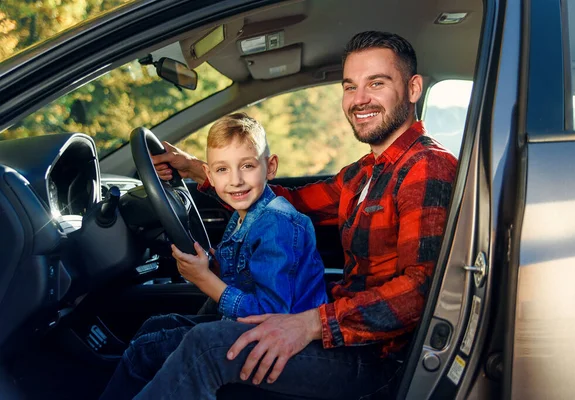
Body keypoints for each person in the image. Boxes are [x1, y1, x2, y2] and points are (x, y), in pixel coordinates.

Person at [118, 30, 457, 399]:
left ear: (412, 88)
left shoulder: (427, 166)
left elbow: (421, 291)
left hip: (379, 360)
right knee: (157, 332)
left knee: (207, 347)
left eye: (376, 83)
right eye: (349, 87)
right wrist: (201, 170)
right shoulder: (366, 171)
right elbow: (285, 200)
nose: (359, 100)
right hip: (342, 332)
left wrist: (310, 324)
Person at [100, 113, 327, 400]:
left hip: (285, 346)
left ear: (270, 167)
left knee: (146, 351)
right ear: (208, 174)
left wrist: (205, 279)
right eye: (222, 170)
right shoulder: (244, 216)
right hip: (253, 329)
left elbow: (272, 316)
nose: (236, 181)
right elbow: (244, 276)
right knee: (157, 326)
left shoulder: (277, 224)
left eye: (247, 166)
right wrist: (212, 263)